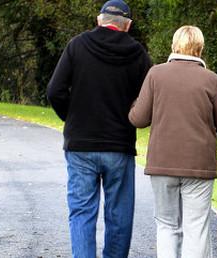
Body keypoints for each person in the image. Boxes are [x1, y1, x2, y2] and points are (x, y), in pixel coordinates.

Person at [46, 1, 152, 257]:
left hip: (80, 145)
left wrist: (71, 118)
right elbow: (148, 100)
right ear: (128, 25)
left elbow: (54, 91)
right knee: (119, 215)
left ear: (99, 20)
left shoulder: (77, 46)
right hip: (119, 146)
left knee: (82, 212)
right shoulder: (138, 54)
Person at [128, 26, 217, 258]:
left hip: (162, 164)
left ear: (173, 46)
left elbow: (139, 119)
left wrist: (132, 106)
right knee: (196, 227)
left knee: (167, 225)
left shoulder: (156, 74)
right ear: (200, 48)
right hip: (199, 166)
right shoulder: (211, 79)